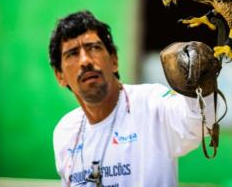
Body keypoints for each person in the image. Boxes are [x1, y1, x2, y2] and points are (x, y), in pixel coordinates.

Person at [49, 10, 217, 187]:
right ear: (60, 75)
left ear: (114, 60)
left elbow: (198, 124)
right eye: (72, 54)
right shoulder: (65, 132)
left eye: (94, 48)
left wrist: (200, 82)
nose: (85, 60)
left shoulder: (151, 104)